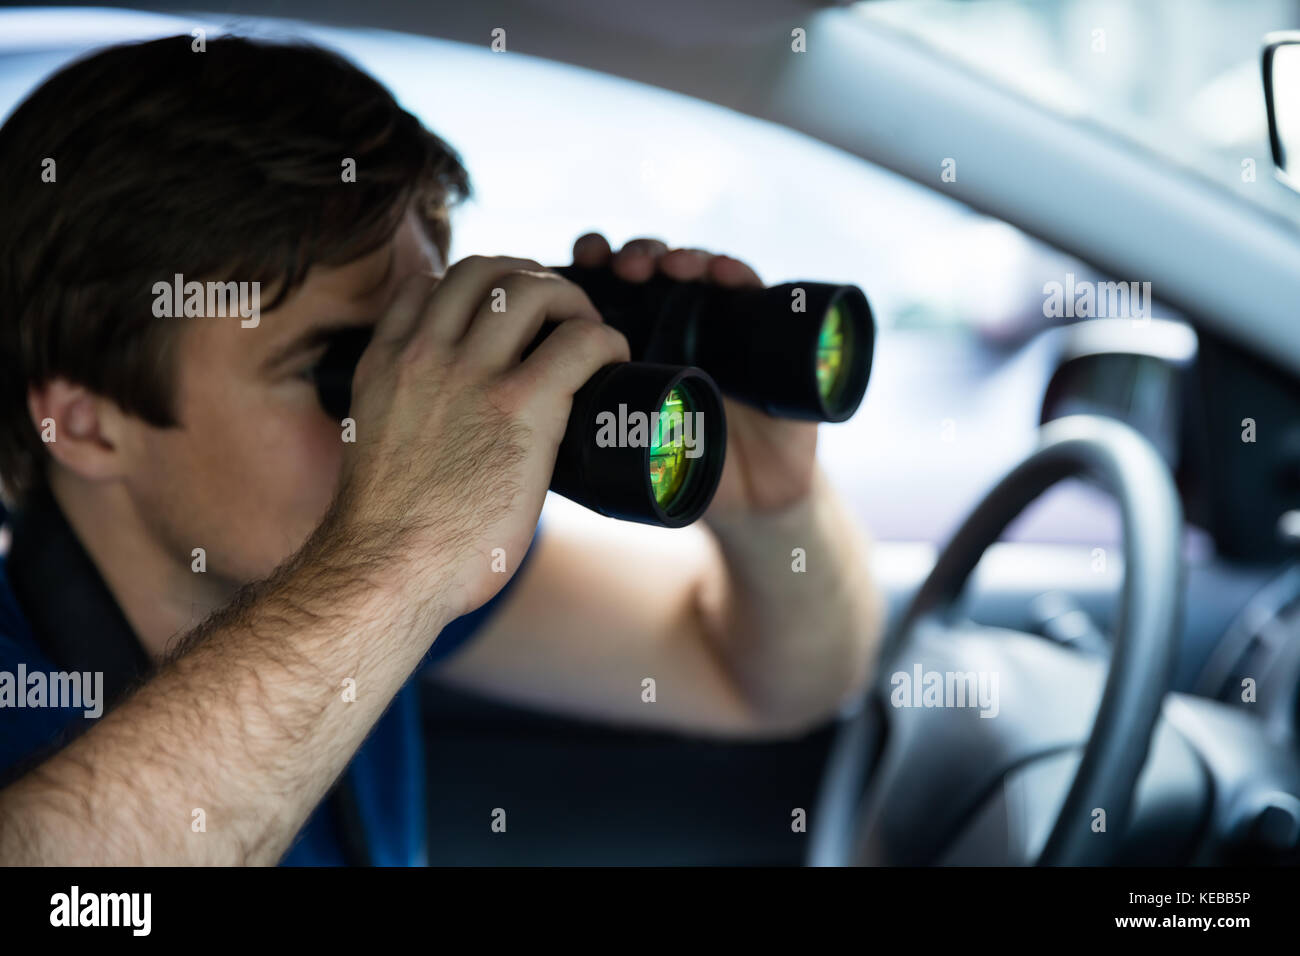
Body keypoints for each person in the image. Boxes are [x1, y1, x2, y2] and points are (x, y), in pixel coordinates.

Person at [0, 34, 882, 865]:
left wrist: (771, 508)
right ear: (86, 423)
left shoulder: (350, 582)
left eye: (419, 348)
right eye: (342, 368)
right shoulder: (361, 581)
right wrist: (401, 561)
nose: (407, 415)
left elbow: (767, 682)